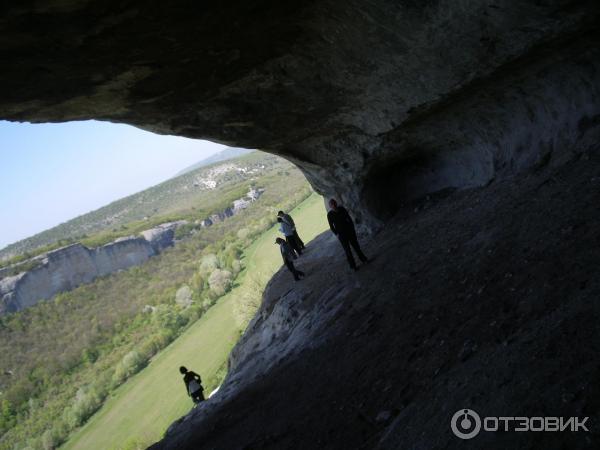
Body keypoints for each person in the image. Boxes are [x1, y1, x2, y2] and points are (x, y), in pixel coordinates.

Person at [327, 198, 368, 270]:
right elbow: (331, 226)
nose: (334, 205)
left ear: (336, 203)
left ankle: (364, 259)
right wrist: (337, 234)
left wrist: (352, 228)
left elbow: (349, 218)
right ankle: (353, 266)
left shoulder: (342, 209)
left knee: (356, 247)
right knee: (347, 251)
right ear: (330, 206)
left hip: (349, 231)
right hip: (341, 235)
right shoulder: (330, 215)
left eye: (334, 203)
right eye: (332, 204)